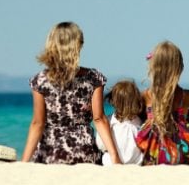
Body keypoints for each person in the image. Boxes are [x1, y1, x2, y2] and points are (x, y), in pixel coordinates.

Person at [21, 22, 120, 165]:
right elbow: (99, 119)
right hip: (84, 152)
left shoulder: (40, 81)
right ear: (78, 45)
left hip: (51, 154)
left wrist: (24, 161)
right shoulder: (94, 78)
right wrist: (114, 156)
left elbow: (38, 123)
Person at [135, 40, 189, 165]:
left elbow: (138, 115)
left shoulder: (147, 95)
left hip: (153, 153)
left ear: (154, 67)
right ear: (179, 68)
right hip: (182, 154)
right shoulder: (185, 96)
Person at [96, 80, 144, 165]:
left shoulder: (108, 122)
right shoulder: (139, 123)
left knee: (105, 156)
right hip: (136, 163)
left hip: (111, 163)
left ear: (113, 101)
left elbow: (101, 144)